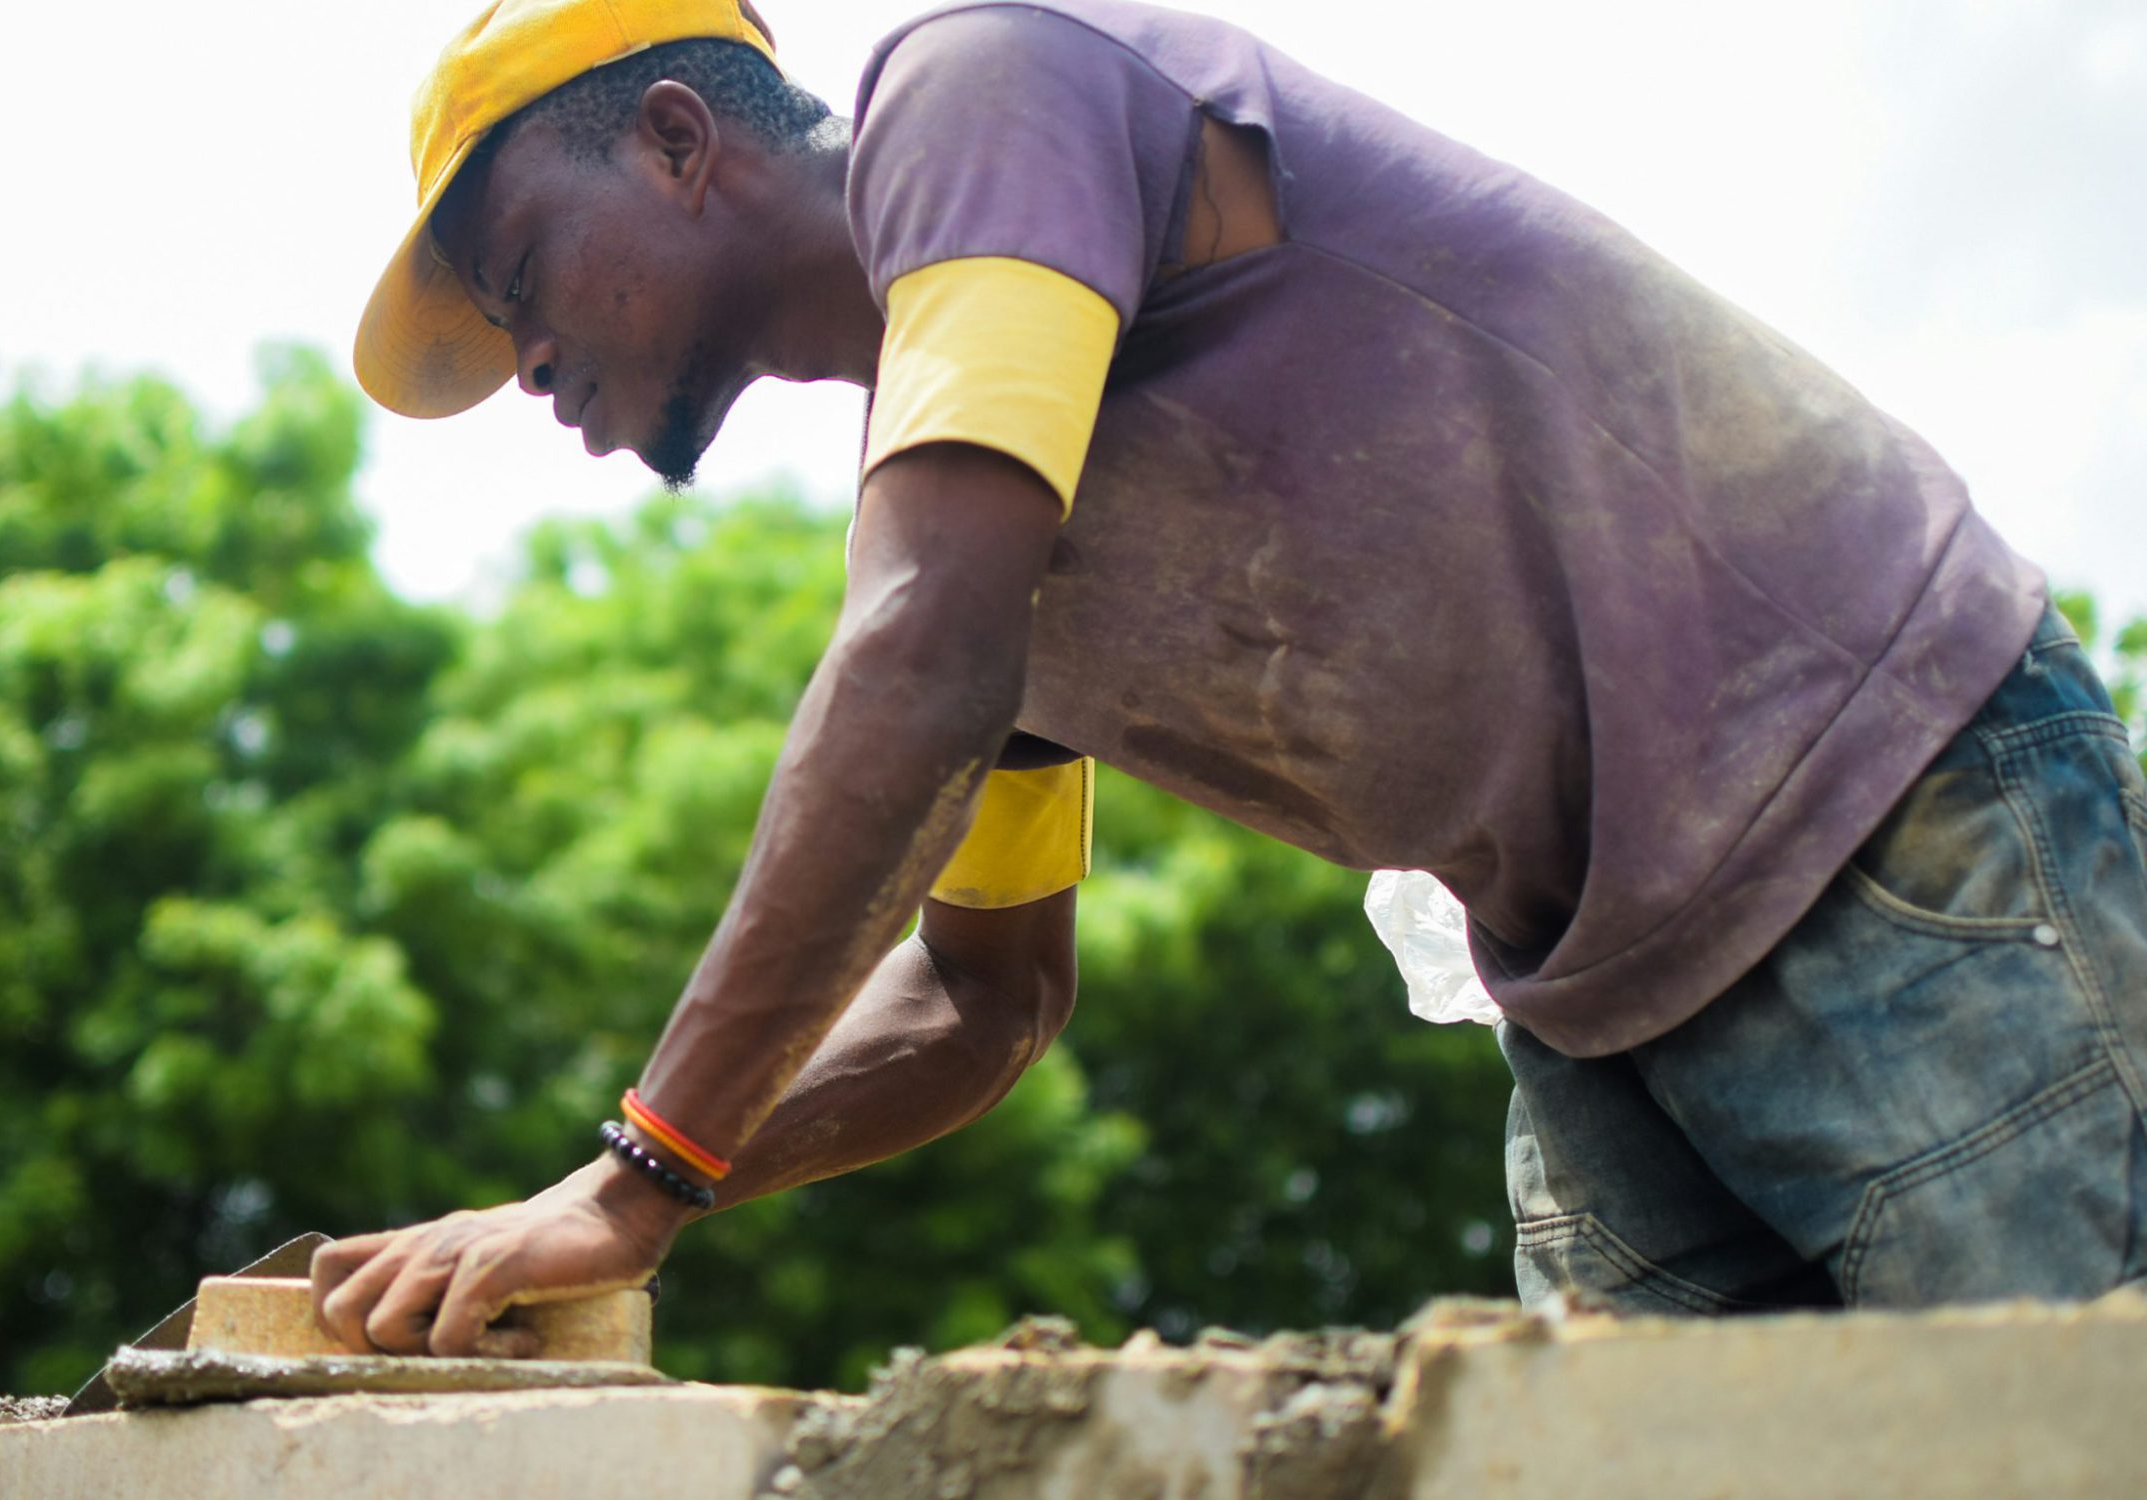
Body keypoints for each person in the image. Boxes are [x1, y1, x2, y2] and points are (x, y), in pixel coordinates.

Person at [312, 0, 2147, 1355]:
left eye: (522, 268)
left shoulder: (982, 88)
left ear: (675, 141)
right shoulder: (968, 477)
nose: (524, 351)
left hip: (1885, 821)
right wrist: (643, 1208)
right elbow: (980, 998)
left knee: (2070, 1444)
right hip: (1598, 995)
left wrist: (640, 1165)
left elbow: (925, 659)